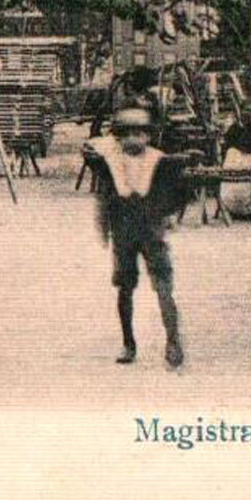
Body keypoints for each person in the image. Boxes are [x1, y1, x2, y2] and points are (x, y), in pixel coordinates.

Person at [85, 105, 186, 368]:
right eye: (126, 134)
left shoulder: (159, 162)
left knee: (164, 286)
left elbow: (173, 194)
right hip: (123, 232)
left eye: (139, 133)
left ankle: (173, 340)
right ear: (118, 136)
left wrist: (168, 217)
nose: (133, 139)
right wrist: (102, 229)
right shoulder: (111, 163)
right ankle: (128, 342)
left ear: (148, 136)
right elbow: (104, 198)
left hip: (152, 231)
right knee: (125, 287)